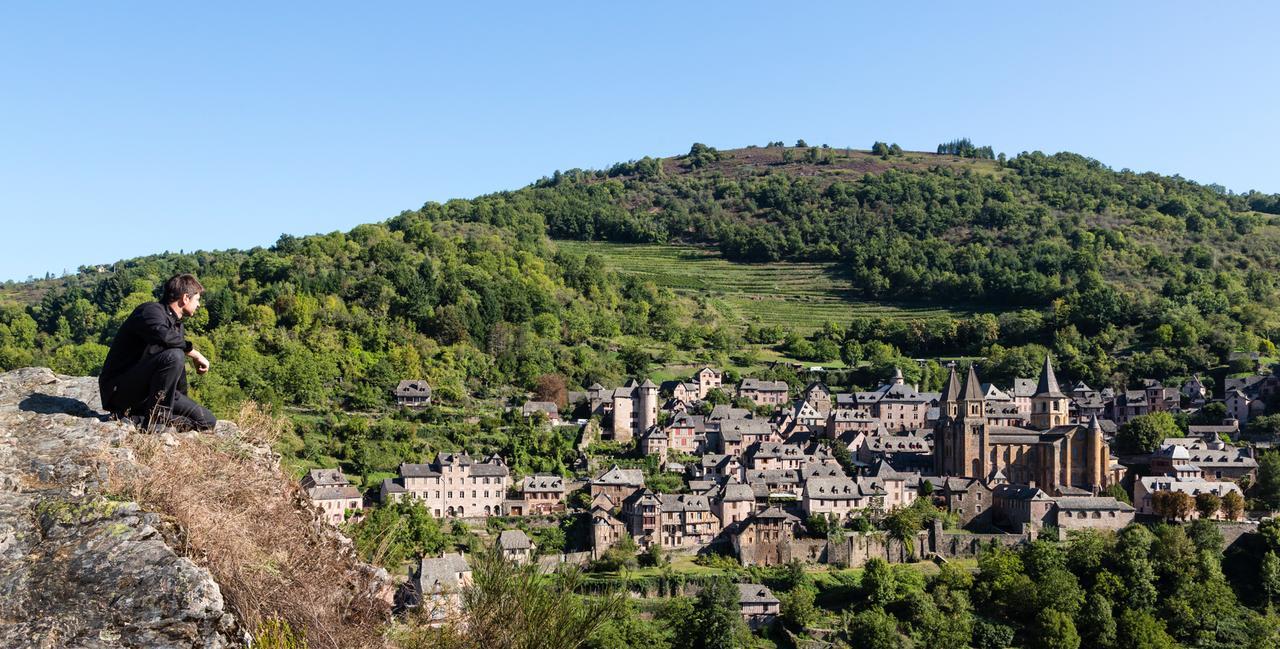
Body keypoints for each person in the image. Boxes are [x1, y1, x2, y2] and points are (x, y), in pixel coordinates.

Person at [99, 273, 217, 431]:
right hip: (120, 391)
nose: (199, 305)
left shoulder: (177, 326)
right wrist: (195, 353)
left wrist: (181, 400)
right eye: (197, 299)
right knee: (175, 354)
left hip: (149, 392)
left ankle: (138, 419)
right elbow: (164, 338)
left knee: (207, 421)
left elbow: (177, 371)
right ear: (185, 298)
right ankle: (156, 423)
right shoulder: (149, 311)